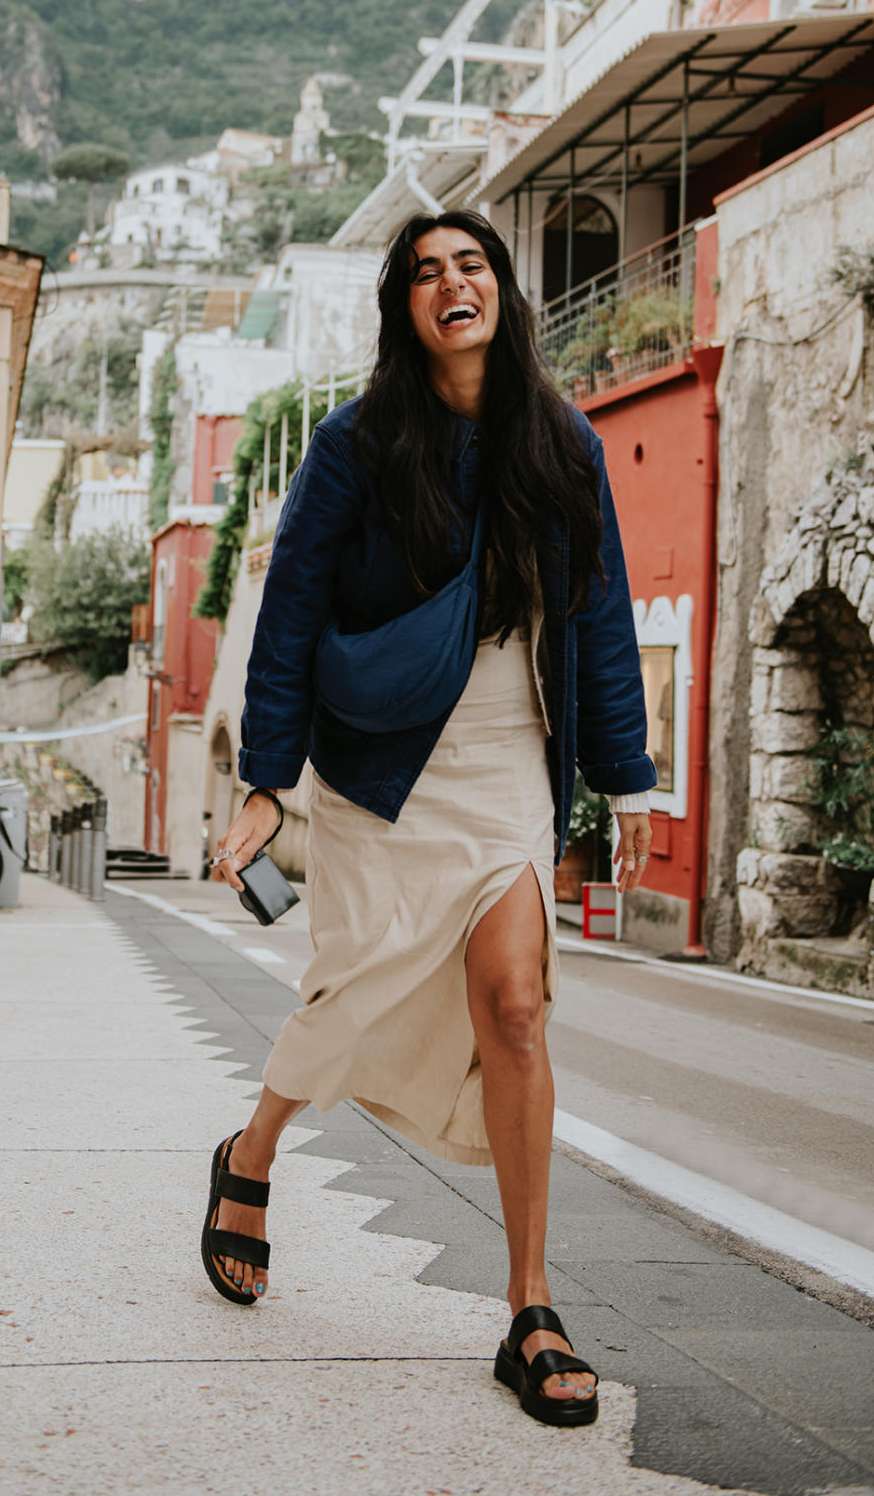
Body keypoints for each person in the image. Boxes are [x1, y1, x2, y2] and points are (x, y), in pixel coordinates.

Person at [200, 211, 655, 1430]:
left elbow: (599, 616)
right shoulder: (358, 445)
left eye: (472, 265)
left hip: (510, 764)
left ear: (501, 291)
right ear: (405, 311)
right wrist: (266, 777)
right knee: (351, 991)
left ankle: (529, 1306)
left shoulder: (562, 443)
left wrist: (625, 779)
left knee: (515, 1003)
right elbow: (291, 608)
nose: (453, 284)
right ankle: (250, 1155)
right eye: (425, 273)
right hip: (383, 770)